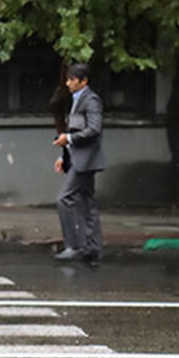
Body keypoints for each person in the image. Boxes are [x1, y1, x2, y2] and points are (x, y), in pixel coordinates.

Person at [52, 63, 105, 261]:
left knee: (64, 199)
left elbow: (94, 129)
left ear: (84, 81)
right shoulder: (76, 99)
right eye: (67, 79)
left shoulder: (91, 100)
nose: (67, 83)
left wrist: (70, 139)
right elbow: (74, 130)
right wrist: (63, 155)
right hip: (78, 158)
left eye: (72, 80)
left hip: (86, 159)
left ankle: (74, 245)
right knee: (87, 202)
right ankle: (93, 246)